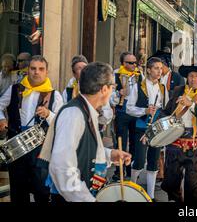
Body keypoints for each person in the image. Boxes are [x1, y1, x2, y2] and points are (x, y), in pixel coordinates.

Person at [43, 62, 132, 202]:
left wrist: (109, 154)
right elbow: (61, 167)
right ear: (104, 89)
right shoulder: (74, 114)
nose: (112, 91)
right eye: (112, 87)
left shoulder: (87, 110)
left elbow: (82, 149)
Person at [0, 55, 64, 202]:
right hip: (16, 148)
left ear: (46, 72)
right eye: (33, 68)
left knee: (41, 191)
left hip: (41, 150)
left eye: (41, 69)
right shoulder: (14, 89)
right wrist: (2, 119)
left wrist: (48, 114)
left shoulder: (55, 95)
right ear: (27, 70)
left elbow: (61, 122)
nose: (37, 72)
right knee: (18, 191)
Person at [160, 64, 197, 203]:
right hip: (174, 141)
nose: (193, 79)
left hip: (195, 144)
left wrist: (191, 104)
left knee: (193, 185)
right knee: (170, 182)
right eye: (191, 76)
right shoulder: (178, 90)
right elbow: (166, 111)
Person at [126, 57, 169, 200]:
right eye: (156, 68)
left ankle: (150, 196)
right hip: (142, 127)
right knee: (138, 161)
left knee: (153, 160)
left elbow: (165, 108)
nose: (159, 71)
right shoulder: (138, 86)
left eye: (161, 68)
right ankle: (132, 189)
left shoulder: (163, 87)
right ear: (149, 70)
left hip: (157, 128)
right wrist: (144, 111)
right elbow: (129, 108)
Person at [110, 52, 141, 179]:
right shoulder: (115, 74)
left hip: (136, 112)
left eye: (135, 62)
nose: (134, 65)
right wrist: (118, 93)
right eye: (130, 62)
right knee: (120, 141)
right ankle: (119, 170)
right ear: (123, 63)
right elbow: (110, 96)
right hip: (122, 111)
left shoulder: (140, 75)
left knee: (134, 142)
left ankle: (131, 169)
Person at [63, 55, 113, 133]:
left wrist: (100, 112)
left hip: (94, 131)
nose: (83, 70)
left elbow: (107, 116)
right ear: (74, 74)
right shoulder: (68, 91)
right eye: (79, 68)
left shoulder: (98, 88)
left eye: (85, 67)